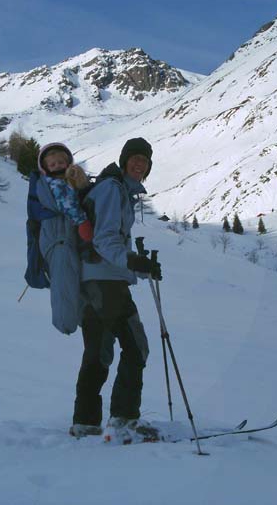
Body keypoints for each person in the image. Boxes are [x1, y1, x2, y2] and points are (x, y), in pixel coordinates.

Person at [69, 137, 162, 440]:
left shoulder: (115, 190)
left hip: (92, 281)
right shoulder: (112, 190)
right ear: (124, 161)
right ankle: (123, 421)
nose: (139, 164)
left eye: (144, 161)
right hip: (105, 283)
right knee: (136, 347)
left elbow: (110, 241)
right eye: (134, 158)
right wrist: (133, 261)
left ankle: (85, 423)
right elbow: (105, 240)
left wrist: (140, 267)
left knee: (98, 352)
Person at [34, 142, 93, 335]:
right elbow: (70, 206)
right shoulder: (56, 184)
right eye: (53, 164)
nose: (58, 166)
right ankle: (65, 322)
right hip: (58, 238)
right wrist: (82, 223)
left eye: (61, 162)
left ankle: (84, 318)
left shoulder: (65, 181)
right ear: (45, 169)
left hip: (61, 238)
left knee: (73, 277)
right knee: (64, 280)